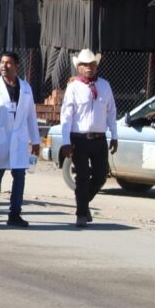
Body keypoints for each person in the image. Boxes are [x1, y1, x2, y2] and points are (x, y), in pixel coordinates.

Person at [59, 49, 118, 228]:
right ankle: (81, 214)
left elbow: (111, 111)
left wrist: (114, 135)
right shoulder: (73, 87)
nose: (89, 68)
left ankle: (82, 203)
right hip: (79, 139)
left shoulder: (105, 86)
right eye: (85, 65)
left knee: (101, 175)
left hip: (99, 139)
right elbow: (66, 116)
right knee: (82, 176)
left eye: (92, 65)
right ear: (78, 68)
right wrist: (66, 142)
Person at [0, 51, 40, 227]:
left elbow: (30, 116)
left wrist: (35, 140)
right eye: (2, 62)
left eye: (8, 63)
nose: (4, 66)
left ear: (16, 66)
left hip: (19, 139)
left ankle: (15, 213)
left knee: (19, 176)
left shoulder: (26, 88)